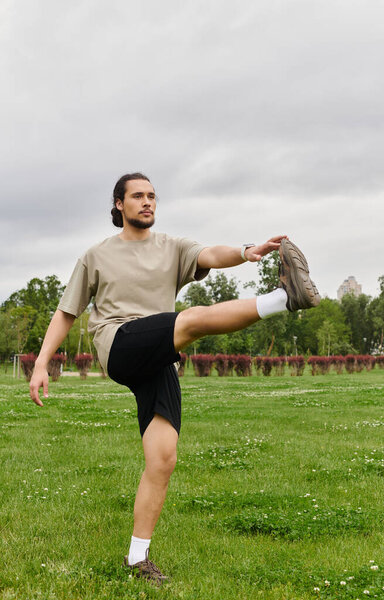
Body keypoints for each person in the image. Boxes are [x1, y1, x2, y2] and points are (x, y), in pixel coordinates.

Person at [29, 172, 320, 585]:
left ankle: (136, 557)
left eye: (152, 196)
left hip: (159, 356)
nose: (147, 202)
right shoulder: (95, 256)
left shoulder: (173, 248)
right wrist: (42, 363)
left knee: (163, 459)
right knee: (191, 321)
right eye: (137, 196)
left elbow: (211, 255)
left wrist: (247, 251)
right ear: (118, 205)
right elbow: (66, 313)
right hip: (120, 342)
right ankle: (283, 299)